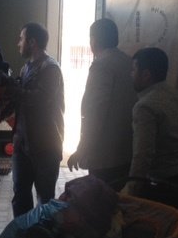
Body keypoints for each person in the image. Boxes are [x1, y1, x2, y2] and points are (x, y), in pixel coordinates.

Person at [67, 18, 136, 190]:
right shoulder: (129, 62)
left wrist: (82, 148)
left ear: (94, 40)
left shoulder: (101, 65)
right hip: (127, 149)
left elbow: (94, 111)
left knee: (103, 200)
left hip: (104, 154)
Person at [122, 47, 178, 208]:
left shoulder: (145, 106)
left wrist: (131, 189)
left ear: (146, 75)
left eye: (133, 70)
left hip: (160, 185)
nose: (131, 74)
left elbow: (143, 154)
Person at [9, 22, 64, 217]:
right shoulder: (26, 68)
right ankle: (23, 233)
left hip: (45, 146)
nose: (19, 43)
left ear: (32, 42)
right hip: (22, 144)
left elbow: (40, 99)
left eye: (21, 39)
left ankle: (41, 235)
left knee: (45, 200)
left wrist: (13, 90)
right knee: (20, 195)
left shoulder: (51, 68)